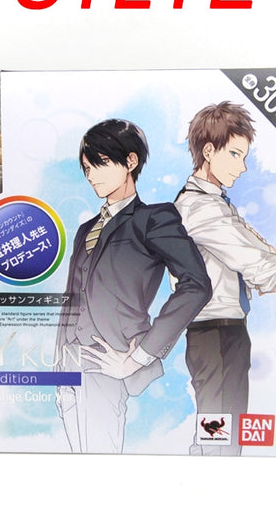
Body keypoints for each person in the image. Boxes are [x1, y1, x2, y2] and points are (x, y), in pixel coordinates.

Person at [55, 118, 211, 453]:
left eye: (101, 163)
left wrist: (139, 357)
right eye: (87, 168)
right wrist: (58, 367)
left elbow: (196, 285)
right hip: (68, 370)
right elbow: (73, 297)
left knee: (102, 461)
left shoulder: (153, 219)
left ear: (130, 161)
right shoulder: (85, 229)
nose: (92, 176)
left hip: (111, 365)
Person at [174, 101, 276, 455]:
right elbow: (265, 269)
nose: (242, 167)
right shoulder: (200, 208)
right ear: (209, 152)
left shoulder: (215, 203)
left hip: (225, 333)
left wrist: (268, 260)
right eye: (235, 155)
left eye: (244, 157)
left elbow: (257, 251)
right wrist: (273, 267)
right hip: (215, 334)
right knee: (219, 437)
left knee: (226, 434)